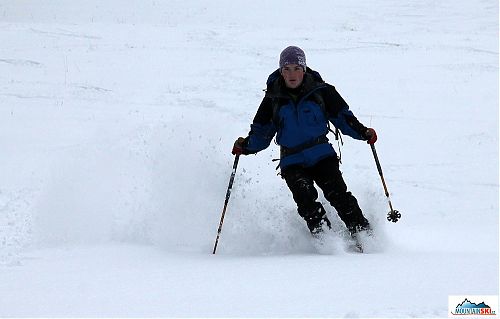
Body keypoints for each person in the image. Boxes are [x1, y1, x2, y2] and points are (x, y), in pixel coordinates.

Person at [232, 46, 377, 239]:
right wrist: (246, 146)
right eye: (287, 69)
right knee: (305, 199)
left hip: (322, 154)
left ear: (304, 69)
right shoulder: (272, 99)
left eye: (296, 68)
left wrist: (363, 132)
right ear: (281, 71)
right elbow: (262, 133)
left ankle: (364, 236)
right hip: (292, 160)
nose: (292, 74)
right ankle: (326, 241)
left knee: (338, 194)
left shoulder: (322, 92)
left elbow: (343, 118)